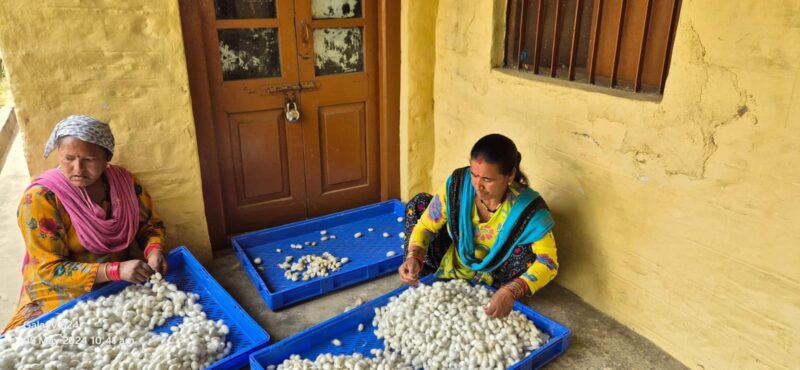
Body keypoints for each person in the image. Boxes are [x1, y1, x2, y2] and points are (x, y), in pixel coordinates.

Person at [3, 115, 167, 333]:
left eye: (89, 159)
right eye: (68, 158)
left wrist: (154, 251)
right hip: (59, 292)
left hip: (116, 284)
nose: (77, 168)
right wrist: (114, 270)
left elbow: (150, 225)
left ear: (106, 156)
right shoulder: (41, 199)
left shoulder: (124, 184)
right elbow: (48, 268)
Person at [399, 133, 558, 318]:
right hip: (453, 257)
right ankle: (420, 271)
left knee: (526, 251)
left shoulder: (528, 210)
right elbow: (425, 227)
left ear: (510, 175)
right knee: (419, 204)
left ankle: (502, 297)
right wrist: (414, 255)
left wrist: (511, 291)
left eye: (487, 180)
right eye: (474, 175)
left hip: (497, 274)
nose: (477, 185)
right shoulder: (458, 185)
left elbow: (548, 262)